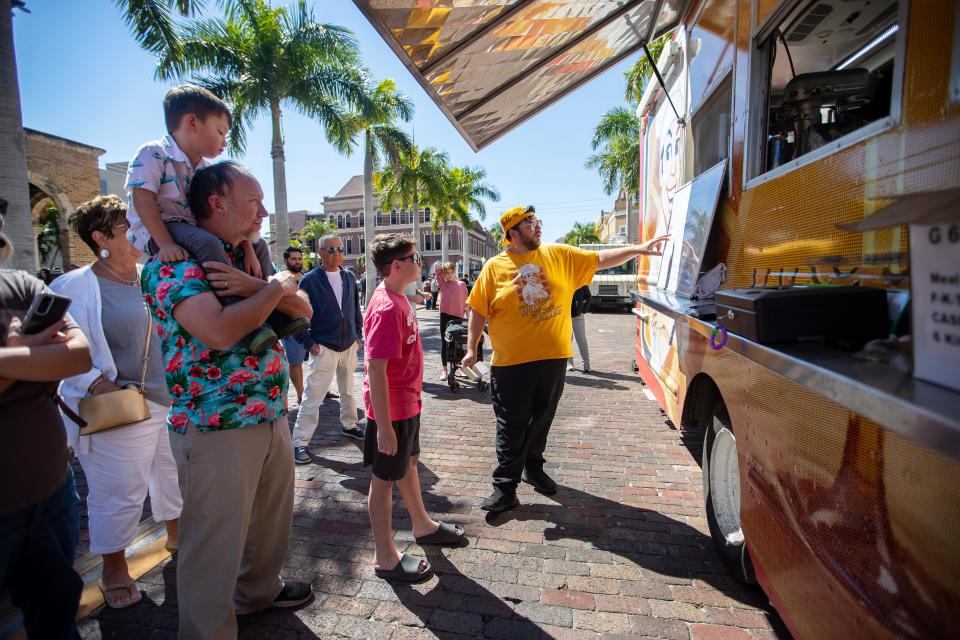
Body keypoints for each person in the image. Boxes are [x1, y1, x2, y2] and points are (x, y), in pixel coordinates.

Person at [141, 161, 313, 638]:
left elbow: (303, 307)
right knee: (212, 548)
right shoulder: (172, 265)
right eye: (253, 201)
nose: (262, 214)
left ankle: (258, 594)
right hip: (215, 426)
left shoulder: (248, 259)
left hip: (270, 413)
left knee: (268, 525)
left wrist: (266, 287)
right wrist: (274, 291)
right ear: (216, 203)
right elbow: (217, 331)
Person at [461, 205, 668, 512]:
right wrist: (471, 347)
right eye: (529, 223)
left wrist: (638, 249)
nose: (537, 226)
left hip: (553, 359)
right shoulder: (494, 266)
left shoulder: (558, 255)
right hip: (510, 364)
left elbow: (599, 259)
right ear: (512, 233)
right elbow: (478, 309)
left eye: (536, 221)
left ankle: (534, 468)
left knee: (542, 418)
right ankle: (505, 488)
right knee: (511, 424)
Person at [51, 195, 183, 609]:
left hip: (171, 400)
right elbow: (54, 346)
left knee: (175, 475)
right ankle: (113, 569)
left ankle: (178, 538)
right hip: (120, 407)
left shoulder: (151, 276)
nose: (141, 233)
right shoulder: (72, 287)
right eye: (130, 227)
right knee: (119, 492)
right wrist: (93, 383)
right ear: (101, 237)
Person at [125, 84, 307, 354]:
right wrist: (164, 244)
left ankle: (273, 317)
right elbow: (143, 200)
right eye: (220, 132)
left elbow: (305, 306)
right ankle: (236, 308)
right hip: (162, 228)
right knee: (208, 243)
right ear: (192, 123)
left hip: (188, 229)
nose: (224, 141)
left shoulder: (202, 168)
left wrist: (248, 249)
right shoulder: (154, 153)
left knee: (257, 245)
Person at [0, 196, 93, 639]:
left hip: (51, 493)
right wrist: (27, 355)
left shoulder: (20, 286)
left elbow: (78, 356)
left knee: (56, 614)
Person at [362, 234, 465, 583]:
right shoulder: (387, 307)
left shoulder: (400, 299)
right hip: (391, 409)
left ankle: (422, 524)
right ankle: (384, 556)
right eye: (414, 257)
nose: (420, 262)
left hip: (407, 403)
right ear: (397, 266)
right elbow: (375, 368)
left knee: (408, 462)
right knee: (383, 479)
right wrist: (386, 427)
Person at [292, 235, 365, 465]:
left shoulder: (349, 276)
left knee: (349, 391)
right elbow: (296, 316)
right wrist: (308, 342)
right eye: (331, 249)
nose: (337, 253)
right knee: (313, 396)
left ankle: (350, 425)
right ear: (320, 253)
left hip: (348, 345)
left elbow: (355, 308)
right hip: (323, 347)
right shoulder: (309, 281)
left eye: (340, 248)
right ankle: (299, 442)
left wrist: (358, 334)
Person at [433, 261, 468, 381]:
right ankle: (445, 370)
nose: (449, 275)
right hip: (445, 316)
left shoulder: (462, 284)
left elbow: (466, 302)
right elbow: (437, 272)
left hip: (458, 317)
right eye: (446, 273)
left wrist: (468, 315)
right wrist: (439, 266)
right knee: (445, 342)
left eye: (451, 272)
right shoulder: (443, 284)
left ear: (455, 272)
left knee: (458, 343)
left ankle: (461, 368)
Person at [281, 246, 307, 404]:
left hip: (314, 326)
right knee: (295, 363)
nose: (297, 262)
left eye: (299, 258)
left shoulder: (308, 277)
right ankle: (300, 393)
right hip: (293, 328)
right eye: (293, 259)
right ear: (286, 261)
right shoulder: (282, 280)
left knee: (318, 362)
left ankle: (319, 390)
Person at [567, 285, 592, 372]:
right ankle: (569, 363)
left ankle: (586, 364)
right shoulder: (565, 280)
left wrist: (583, 310)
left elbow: (588, 297)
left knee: (582, 340)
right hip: (565, 317)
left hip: (578, 317)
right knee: (567, 341)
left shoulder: (582, 282)